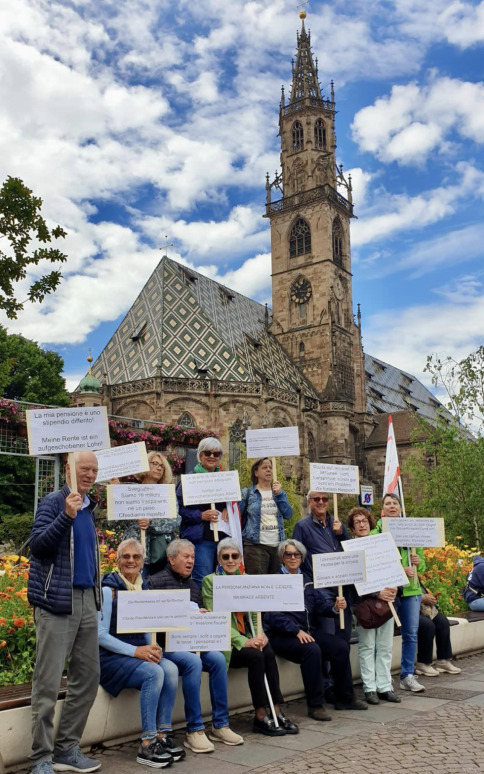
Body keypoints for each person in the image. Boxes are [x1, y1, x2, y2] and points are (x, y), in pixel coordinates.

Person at [27, 451, 102, 774]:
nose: (90, 474)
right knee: (47, 683)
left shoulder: (89, 508)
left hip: (87, 600)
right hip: (57, 600)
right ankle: (40, 758)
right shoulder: (55, 502)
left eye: (94, 470)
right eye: (85, 468)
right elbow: (38, 545)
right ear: (70, 468)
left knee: (87, 679)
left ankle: (67, 748)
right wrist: (66, 516)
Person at [149, 539, 243, 753]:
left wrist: (202, 617)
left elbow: (198, 621)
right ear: (172, 559)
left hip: (192, 643)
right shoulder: (155, 582)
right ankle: (194, 729)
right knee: (192, 661)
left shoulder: (193, 586)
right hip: (168, 647)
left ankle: (220, 724)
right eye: (186, 557)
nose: (191, 561)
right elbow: (152, 623)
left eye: (192, 557)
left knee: (218, 658)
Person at [98, 539, 183, 768]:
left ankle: (161, 735)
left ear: (143, 562)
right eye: (126, 556)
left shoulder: (143, 587)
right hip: (111, 658)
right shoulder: (109, 590)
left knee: (170, 668)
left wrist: (153, 648)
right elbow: (100, 635)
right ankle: (146, 744)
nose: (131, 561)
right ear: (117, 561)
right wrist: (137, 651)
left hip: (135, 655)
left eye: (136, 557)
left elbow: (146, 625)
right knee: (154, 673)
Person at [202, 538, 299, 737]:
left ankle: (276, 709)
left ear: (240, 558)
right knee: (256, 656)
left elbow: (255, 614)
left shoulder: (247, 579)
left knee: (268, 651)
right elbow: (216, 617)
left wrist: (260, 634)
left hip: (249, 637)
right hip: (227, 640)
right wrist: (242, 640)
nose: (230, 560)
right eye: (225, 557)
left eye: (234, 556)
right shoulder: (211, 581)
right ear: (219, 560)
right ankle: (261, 714)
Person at [265, 539, 368, 719]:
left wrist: (334, 608)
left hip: (308, 630)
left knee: (340, 647)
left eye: (296, 554)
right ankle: (315, 704)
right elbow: (272, 616)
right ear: (282, 558)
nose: (292, 557)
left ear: (302, 558)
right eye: (288, 554)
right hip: (283, 635)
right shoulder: (275, 581)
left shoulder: (306, 580)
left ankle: (344, 698)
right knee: (311, 650)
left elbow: (319, 605)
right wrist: (295, 630)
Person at [372, 493, 426, 693]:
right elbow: (376, 560)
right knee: (382, 637)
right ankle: (382, 678)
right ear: (383, 510)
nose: (392, 506)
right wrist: (399, 571)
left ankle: (407, 675)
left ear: (400, 509)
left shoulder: (411, 532)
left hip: (411, 590)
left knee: (410, 634)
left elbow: (423, 562)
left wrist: (419, 562)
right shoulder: (375, 533)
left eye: (395, 503)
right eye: (388, 504)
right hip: (388, 591)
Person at [347, 508, 401, 705]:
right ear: (352, 528)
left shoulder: (382, 544)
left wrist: (393, 587)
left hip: (387, 603)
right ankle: (370, 688)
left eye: (364, 521)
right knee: (367, 646)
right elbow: (354, 580)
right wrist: (376, 592)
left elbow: (393, 568)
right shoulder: (350, 549)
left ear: (370, 523)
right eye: (357, 522)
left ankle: (384, 686)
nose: (362, 524)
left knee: (385, 647)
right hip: (364, 605)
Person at [178, 438, 231, 587]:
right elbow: (179, 509)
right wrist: (200, 515)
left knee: (224, 581)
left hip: (224, 538)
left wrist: (229, 507)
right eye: (208, 453)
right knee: (203, 581)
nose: (212, 456)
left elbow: (236, 501)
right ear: (200, 455)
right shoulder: (189, 479)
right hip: (201, 540)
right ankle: (204, 610)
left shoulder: (226, 479)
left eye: (216, 454)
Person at [123, 452, 180, 576]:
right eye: (154, 463)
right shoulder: (130, 491)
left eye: (162, 466)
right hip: (134, 551)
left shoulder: (166, 493)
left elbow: (175, 521)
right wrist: (113, 493)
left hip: (158, 554)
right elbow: (115, 519)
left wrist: (151, 523)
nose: (159, 467)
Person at [239, 458, 293, 575]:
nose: (268, 470)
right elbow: (237, 515)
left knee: (276, 585)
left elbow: (288, 514)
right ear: (256, 472)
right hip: (255, 547)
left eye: (270, 467)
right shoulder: (247, 493)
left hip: (277, 547)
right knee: (258, 586)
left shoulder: (278, 493)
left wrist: (280, 495)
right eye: (264, 467)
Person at [416, 589, 461, 676]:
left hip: (423, 609)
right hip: (408, 611)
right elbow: (402, 596)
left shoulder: (414, 576)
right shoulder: (399, 577)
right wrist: (421, 598)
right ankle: (423, 663)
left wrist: (430, 599)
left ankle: (443, 661)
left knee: (443, 622)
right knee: (428, 625)